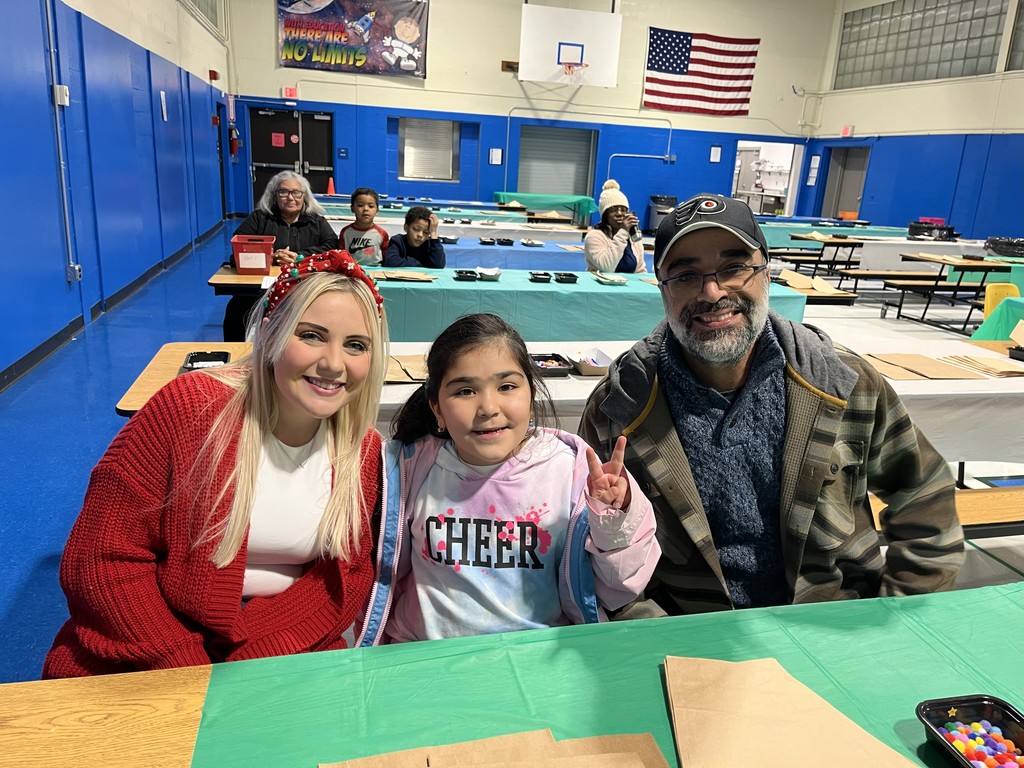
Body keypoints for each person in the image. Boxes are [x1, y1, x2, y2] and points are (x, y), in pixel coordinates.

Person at [579, 193, 964, 617]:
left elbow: (925, 496)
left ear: (766, 270)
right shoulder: (621, 407)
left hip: (835, 624)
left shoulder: (844, 384)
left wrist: (900, 615)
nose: (712, 292)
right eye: (686, 274)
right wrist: (656, 636)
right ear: (661, 287)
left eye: (734, 267)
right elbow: (592, 550)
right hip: (688, 634)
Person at [43, 250, 390, 677]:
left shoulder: (362, 449)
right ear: (270, 334)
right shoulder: (189, 409)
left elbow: (344, 577)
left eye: (356, 345)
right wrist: (187, 667)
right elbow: (102, 558)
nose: (334, 364)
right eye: (312, 335)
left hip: (283, 647)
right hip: (155, 645)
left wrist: (249, 663)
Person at [357, 313, 660, 645]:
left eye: (506, 386)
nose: (488, 407)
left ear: (531, 395)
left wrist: (612, 522)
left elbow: (618, 589)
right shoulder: (408, 469)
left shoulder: (568, 473)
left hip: (534, 655)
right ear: (438, 410)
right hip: (422, 656)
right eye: (465, 391)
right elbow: (370, 571)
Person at [224, 171, 339, 342]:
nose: (290, 198)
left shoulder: (316, 221)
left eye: (296, 193)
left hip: (303, 287)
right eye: (283, 192)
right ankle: (233, 354)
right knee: (235, 309)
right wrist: (271, 256)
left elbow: (332, 246)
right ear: (274, 196)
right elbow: (239, 248)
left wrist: (299, 257)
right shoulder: (259, 218)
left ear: (304, 196)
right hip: (260, 289)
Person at [583, 179, 646, 274]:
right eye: (613, 210)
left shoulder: (634, 239)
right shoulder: (594, 236)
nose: (619, 214)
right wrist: (623, 232)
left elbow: (640, 271)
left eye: (623, 210)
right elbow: (606, 267)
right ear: (605, 214)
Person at [340, 187, 390, 267]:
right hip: (353, 272)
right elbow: (341, 258)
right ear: (352, 208)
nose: (366, 209)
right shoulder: (346, 232)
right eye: (360, 205)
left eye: (371, 206)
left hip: (376, 272)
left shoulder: (382, 234)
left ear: (377, 210)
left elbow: (387, 258)